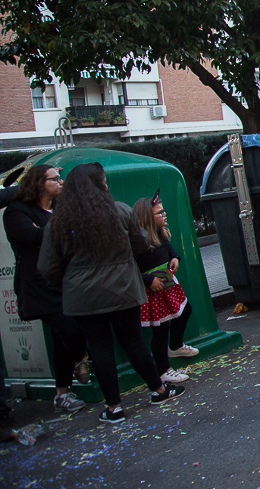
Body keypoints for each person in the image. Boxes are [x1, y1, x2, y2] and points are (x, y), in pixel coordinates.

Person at [38, 163, 184, 424]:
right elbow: (141, 243)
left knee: (100, 348)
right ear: (101, 185)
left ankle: (114, 408)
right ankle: (159, 390)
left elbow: (48, 266)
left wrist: (69, 282)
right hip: (124, 289)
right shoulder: (120, 211)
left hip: (82, 295)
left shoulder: (58, 222)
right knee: (133, 342)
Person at [3, 165, 89, 412]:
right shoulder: (16, 211)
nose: (60, 182)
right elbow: (36, 237)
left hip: (66, 281)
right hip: (38, 286)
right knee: (70, 331)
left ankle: (62, 393)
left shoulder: (59, 208)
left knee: (61, 339)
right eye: (55, 178)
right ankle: (81, 357)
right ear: (40, 183)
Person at [133, 195, 198, 384]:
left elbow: (168, 247)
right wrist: (148, 280)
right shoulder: (137, 241)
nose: (165, 214)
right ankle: (163, 370)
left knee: (185, 310)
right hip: (153, 288)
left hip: (168, 283)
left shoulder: (159, 232)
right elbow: (131, 268)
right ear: (147, 217)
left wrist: (175, 257)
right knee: (160, 329)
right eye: (160, 212)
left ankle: (176, 346)